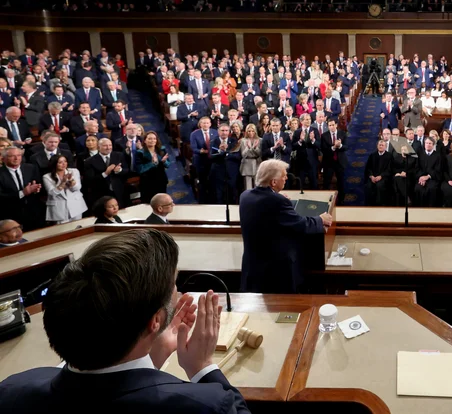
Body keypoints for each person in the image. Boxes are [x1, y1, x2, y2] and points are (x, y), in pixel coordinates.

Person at [0, 229, 251, 413]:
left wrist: (154, 353)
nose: (177, 290)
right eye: (174, 284)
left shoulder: (12, 390)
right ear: (155, 320)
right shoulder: (206, 406)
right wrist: (202, 366)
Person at [239, 160, 332, 293]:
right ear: (273, 182)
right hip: (274, 270)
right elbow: (300, 224)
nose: (286, 178)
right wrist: (320, 219)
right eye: (284, 176)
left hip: (252, 265)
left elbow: (267, 213)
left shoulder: (245, 196)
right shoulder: (277, 201)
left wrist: (276, 196)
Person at [0, 146, 44, 230]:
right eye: (12, 156)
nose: (16, 158)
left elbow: (39, 184)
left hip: (33, 211)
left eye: (19, 155)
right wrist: (22, 193)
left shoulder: (31, 168)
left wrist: (37, 189)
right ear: (3, 159)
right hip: (11, 214)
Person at [43, 155, 88, 224]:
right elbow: (52, 194)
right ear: (54, 164)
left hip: (76, 206)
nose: (64, 164)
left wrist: (72, 183)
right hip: (59, 209)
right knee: (63, 231)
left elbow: (78, 188)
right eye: (60, 162)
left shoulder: (74, 171)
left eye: (65, 161)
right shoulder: (47, 177)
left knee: (78, 228)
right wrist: (63, 182)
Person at [137, 132, 170, 204]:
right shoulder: (140, 153)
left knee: (161, 202)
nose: (152, 140)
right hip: (147, 182)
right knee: (149, 203)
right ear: (145, 140)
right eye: (150, 139)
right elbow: (140, 169)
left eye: (154, 139)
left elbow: (168, 164)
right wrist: (152, 164)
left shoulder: (162, 149)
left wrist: (164, 162)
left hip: (161, 180)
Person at [320, 119, 348, 205]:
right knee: (327, 182)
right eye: (329, 125)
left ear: (336, 125)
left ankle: (341, 200)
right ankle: (325, 200)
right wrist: (334, 147)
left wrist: (340, 146)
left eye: (333, 125)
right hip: (329, 163)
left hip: (340, 162)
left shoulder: (342, 134)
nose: (331, 127)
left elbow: (347, 147)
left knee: (341, 182)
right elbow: (324, 150)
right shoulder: (324, 136)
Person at [413, 137, 442, 207]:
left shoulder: (438, 155)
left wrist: (428, 176)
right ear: (424, 144)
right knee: (418, 188)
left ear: (433, 145)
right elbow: (417, 168)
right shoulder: (420, 154)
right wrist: (421, 177)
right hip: (421, 178)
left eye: (430, 143)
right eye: (426, 143)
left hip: (432, 178)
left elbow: (438, 170)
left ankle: (431, 209)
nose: (428, 145)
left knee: (431, 189)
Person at [364, 140, 393, 206]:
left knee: (379, 186)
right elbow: (368, 168)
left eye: (382, 145)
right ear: (377, 146)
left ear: (385, 147)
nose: (381, 146)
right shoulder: (372, 155)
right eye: (379, 145)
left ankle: (380, 205)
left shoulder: (389, 156)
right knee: (369, 186)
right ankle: (369, 205)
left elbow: (389, 169)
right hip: (373, 177)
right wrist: (371, 176)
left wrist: (381, 176)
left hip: (384, 178)